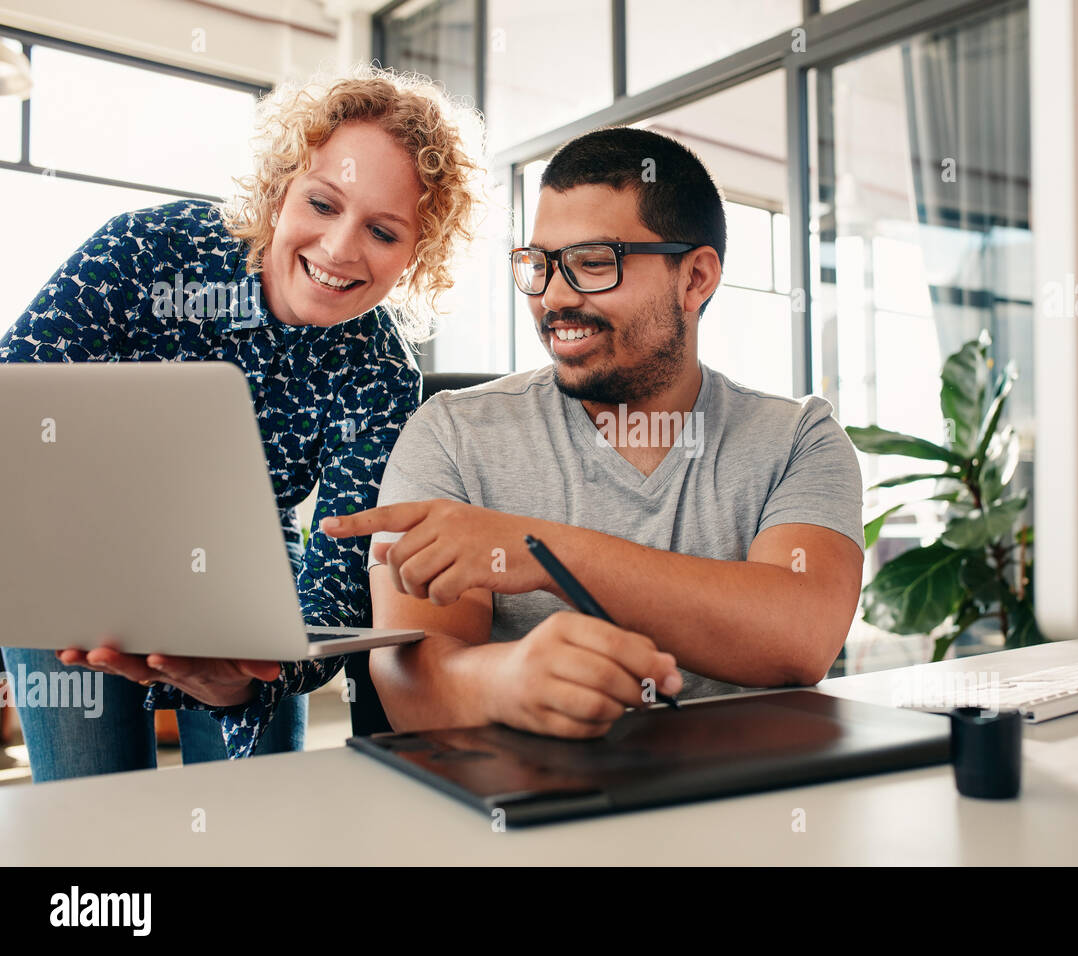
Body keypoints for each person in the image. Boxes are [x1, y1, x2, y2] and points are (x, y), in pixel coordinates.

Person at [0, 66, 483, 776]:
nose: (341, 248)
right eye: (323, 203)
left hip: (247, 559)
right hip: (80, 541)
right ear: (280, 188)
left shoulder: (381, 373)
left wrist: (258, 672)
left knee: (251, 809)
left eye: (382, 231)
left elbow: (341, 578)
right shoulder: (144, 251)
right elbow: (17, 404)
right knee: (92, 802)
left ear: (417, 256)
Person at [319, 126, 866, 738]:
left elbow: (799, 635)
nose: (553, 296)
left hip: (747, 808)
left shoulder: (799, 439)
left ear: (695, 279)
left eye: (593, 263)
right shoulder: (450, 432)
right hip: (519, 815)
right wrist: (505, 682)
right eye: (540, 264)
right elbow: (408, 684)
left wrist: (543, 552)